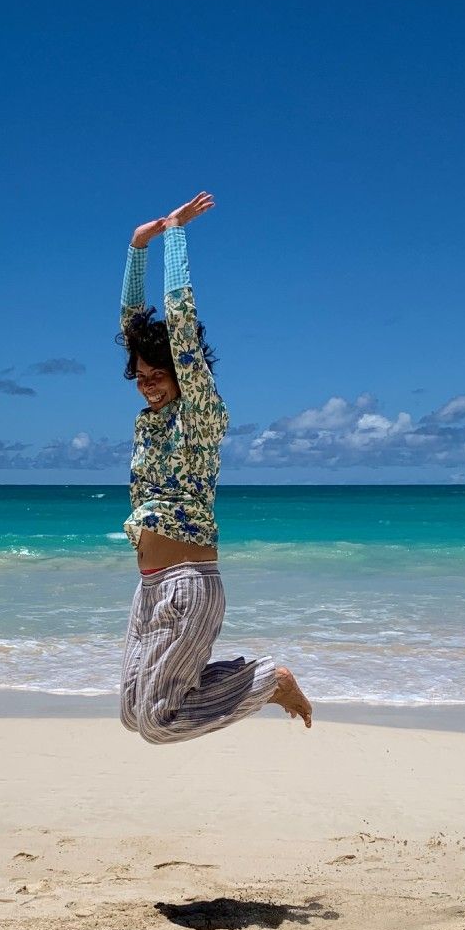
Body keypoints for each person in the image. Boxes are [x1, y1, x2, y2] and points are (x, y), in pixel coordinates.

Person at [117, 191, 311, 744]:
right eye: (140, 375)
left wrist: (175, 234)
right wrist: (136, 248)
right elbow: (133, 325)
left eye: (159, 373)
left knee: (158, 722)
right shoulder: (148, 422)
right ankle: (257, 679)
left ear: (182, 372)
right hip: (149, 587)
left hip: (189, 585)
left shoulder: (199, 414)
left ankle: (269, 681)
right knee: (133, 714)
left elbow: (179, 322)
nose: (149, 382)